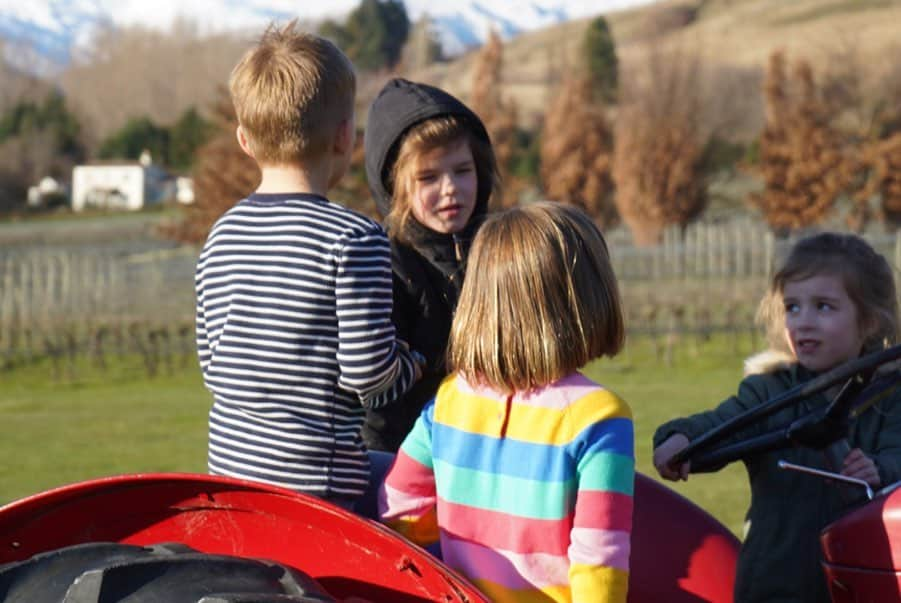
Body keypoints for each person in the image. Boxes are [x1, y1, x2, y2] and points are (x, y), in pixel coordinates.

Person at [194, 22, 421, 509]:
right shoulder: (353, 238)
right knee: (434, 495)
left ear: (244, 140)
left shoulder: (221, 234)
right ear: (345, 137)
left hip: (230, 479)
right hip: (319, 487)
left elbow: (212, 364)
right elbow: (369, 375)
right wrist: (413, 364)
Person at [379, 201, 635, 603]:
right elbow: (599, 557)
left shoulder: (449, 401)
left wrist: (447, 550)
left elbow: (401, 506)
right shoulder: (599, 416)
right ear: (587, 300)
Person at [653, 232, 901, 603]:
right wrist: (680, 438)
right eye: (793, 307)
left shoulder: (889, 398)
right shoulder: (770, 393)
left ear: (868, 322)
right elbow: (722, 424)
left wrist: (879, 470)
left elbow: (898, 456)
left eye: (824, 307)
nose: (804, 322)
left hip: (859, 589)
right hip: (772, 588)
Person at [361, 77, 500, 453]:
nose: (450, 188)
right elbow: (378, 398)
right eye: (428, 177)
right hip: (406, 459)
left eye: (462, 170)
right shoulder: (385, 267)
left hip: (493, 453)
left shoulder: (501, 254)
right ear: (395, 188)